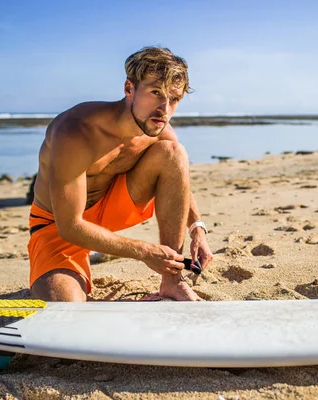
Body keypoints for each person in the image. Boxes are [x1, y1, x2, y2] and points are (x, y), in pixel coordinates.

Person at [27, 46, 213, 302]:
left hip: (111, 209)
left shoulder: (157, 128)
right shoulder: (77, 132)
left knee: (174, 151)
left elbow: (179, 179)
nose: (164, 108)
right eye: (155, 92)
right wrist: (145, 251)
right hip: (60, 226)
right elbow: (70, 226)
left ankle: (172, 282)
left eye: (174, 98)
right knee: (65, 310)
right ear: (129, 89)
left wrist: (197, 228)